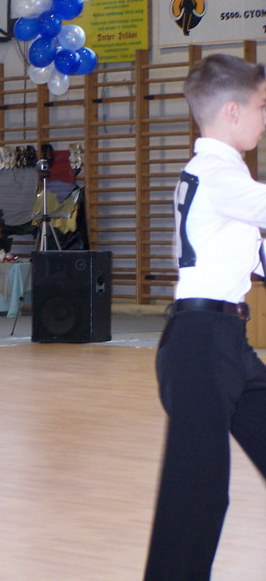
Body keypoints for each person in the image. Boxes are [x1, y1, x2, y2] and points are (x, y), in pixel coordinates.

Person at [144, 54, 266, 580]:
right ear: (233, 111)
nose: (265, 117)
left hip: (224, 343)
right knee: (196, 497)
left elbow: (252, 257)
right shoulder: (215, 173)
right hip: (200, 346)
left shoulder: (224, 174)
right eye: (262, 106)